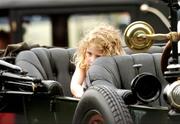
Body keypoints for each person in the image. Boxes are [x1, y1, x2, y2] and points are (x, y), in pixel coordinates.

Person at [70, 24, 126, 98]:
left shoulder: (116, 67)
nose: (92, 60)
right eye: (89, 53)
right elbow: (75, 85)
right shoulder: (83, 63)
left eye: (98, 56)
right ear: (84, 50)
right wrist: (84, 95)